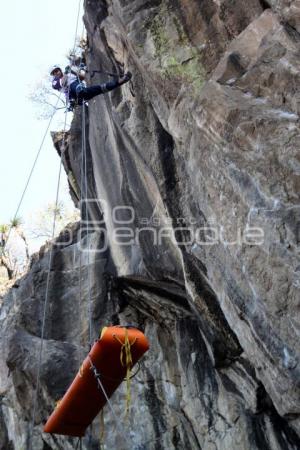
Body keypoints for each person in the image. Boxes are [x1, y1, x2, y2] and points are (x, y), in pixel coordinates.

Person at [50, 64, 132, 109]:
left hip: (83, 91)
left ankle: (122, 80)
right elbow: (62, 83)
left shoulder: (69, 73)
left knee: (101, 88)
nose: (56, 73)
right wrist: (67, 73)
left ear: (59, 69)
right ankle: (79, 91)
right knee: (74, 86)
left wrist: (73, 71)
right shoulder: (55, 82)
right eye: (54, 73)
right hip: (74, 95)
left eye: (57, 70)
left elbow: (82, 77)